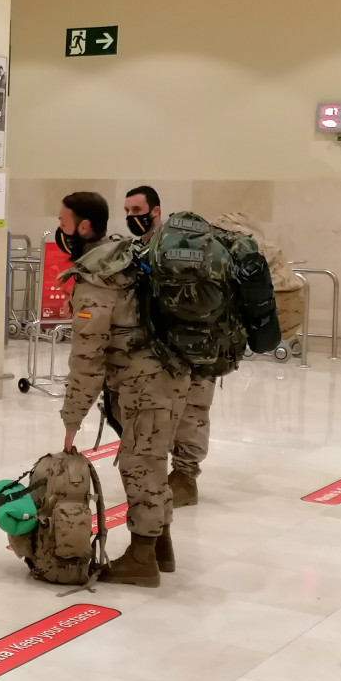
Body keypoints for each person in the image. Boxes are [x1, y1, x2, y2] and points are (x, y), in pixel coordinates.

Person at [58, 191, 190, 587]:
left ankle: (141, 558)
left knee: (140, 464)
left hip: (145, 383)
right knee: (153, 460)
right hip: (173, 374)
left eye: (63, 224)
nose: (59, 232)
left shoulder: (97, 276)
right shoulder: (126, 254)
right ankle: (161, 545)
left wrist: (71, 421)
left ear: (83, 227)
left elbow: (87, 358)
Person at [124, 185, 211, 508]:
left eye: (137, 211)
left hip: (195, 344)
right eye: (128, 212)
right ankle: (166, 472)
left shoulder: (174, 248)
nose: (131, 217)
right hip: (161, 347)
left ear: (155, 211)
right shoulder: (141, 250)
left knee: (192, 411)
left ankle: (187, 478)